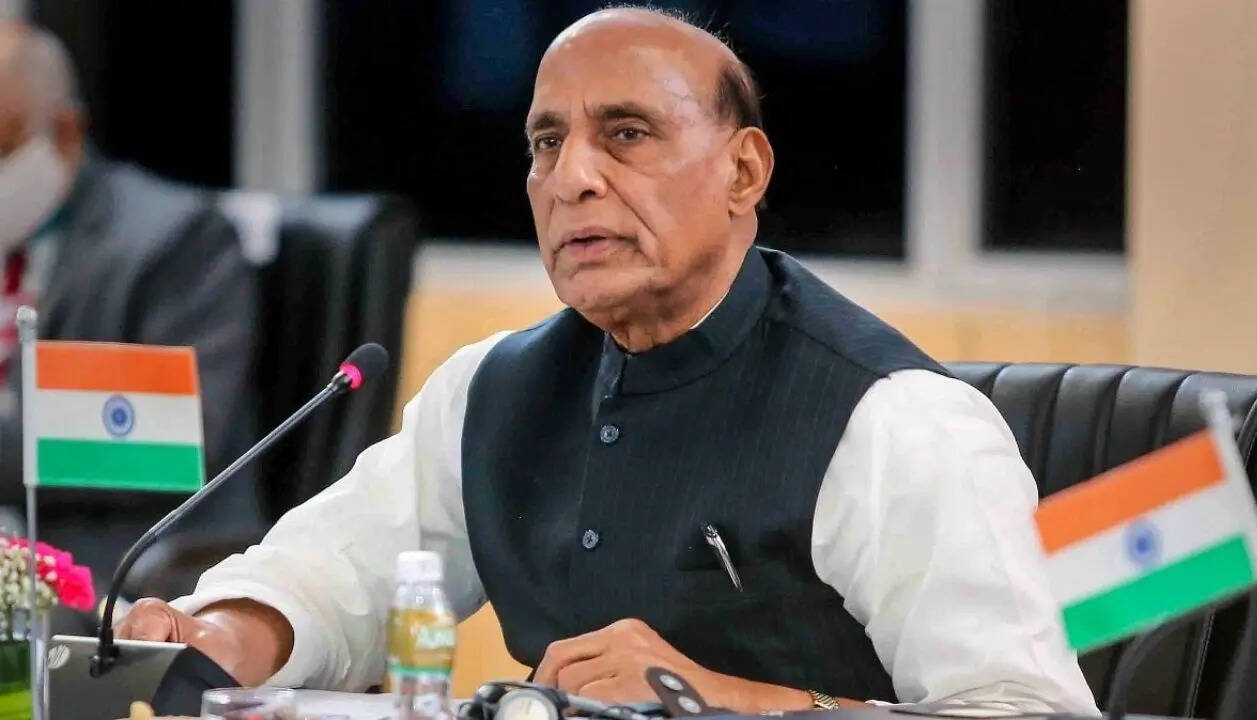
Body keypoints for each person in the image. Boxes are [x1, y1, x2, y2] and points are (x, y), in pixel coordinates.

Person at [118, 8, 1097, 714]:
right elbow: (337, 572)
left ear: (743, 171)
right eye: (546, 143)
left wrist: (721, 701)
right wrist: (222, 634)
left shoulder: (893, 421)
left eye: (626, 134)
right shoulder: (490, 392)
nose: (572, 178)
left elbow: (1021, 709)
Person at [0, 23, 265, 605]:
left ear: (65, 132)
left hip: (121, 565)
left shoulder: (177, 239)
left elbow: (173, 437)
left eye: (1, 147)